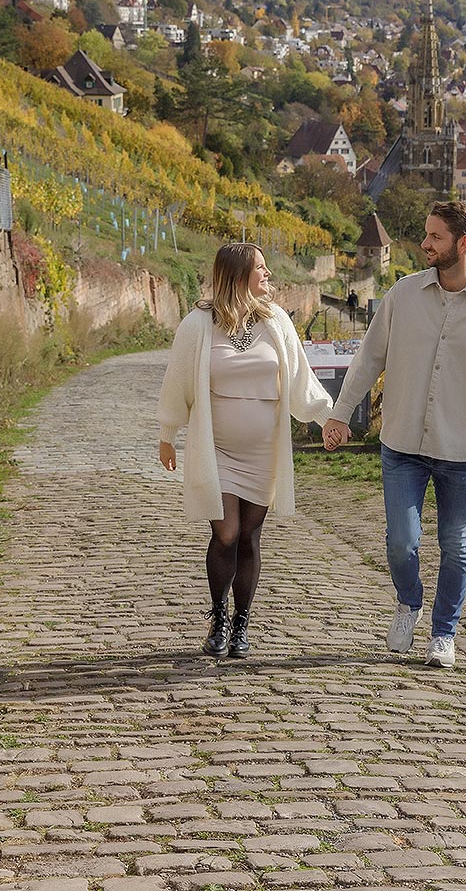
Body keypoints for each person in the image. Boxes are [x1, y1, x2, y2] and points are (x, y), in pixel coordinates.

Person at [323, 200, 466, 669]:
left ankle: (444, 633)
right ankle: (409, 602)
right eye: (426, 234)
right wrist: (339, 414)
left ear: (463, 243)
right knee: (401, 541)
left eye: (435, 236)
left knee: (456, 545)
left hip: (464, 446)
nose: (425, 244)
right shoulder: (403, 294)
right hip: (403, 442)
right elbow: (369, 359)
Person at [158, 243, 333, 658]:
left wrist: (327, 418)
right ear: (239, 276)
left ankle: (241, 625)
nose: (268, 274)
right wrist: (168, 435)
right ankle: (218, 619)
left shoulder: (276, 321)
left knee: (249, 538)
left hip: (263, 453)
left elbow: (300, 379)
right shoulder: (197, 325)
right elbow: (177, 382)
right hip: (216, 449)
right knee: (226, 533)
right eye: (261, 268)